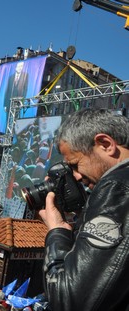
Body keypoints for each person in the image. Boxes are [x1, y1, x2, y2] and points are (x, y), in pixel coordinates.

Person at [38, 108, 129, 310]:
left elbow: (70, 300)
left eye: (76, 165)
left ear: (106, 144)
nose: (77, 176)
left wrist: (57, 231)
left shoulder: (117, 187)